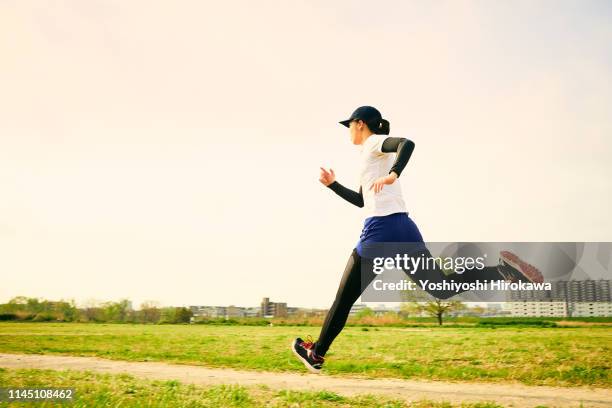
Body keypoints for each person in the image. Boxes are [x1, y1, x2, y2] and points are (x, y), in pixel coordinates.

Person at [291, 106, 543, 374]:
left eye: (350, 125)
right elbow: (362, 200)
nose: (349, 131)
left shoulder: (374, 143)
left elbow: (406, 143)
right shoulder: (373, 157)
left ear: (360, 123)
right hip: (404, 228)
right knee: (441, 288)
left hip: (381, 231)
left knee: (343, 299)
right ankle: (501, 270)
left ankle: (316, 353)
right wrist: (333, 185)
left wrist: (394, 173)